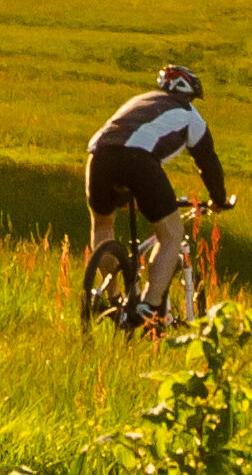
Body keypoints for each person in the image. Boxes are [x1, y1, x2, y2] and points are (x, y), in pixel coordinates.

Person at [84, 61, 233, 318]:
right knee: (171, 235)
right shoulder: (190, 115)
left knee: (103, 225)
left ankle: (112, 297)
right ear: (189, 94)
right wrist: (218, 199)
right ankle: (148, 308)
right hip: (138, 159)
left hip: (98, 155)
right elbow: (207, 162)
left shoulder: (139, 101)